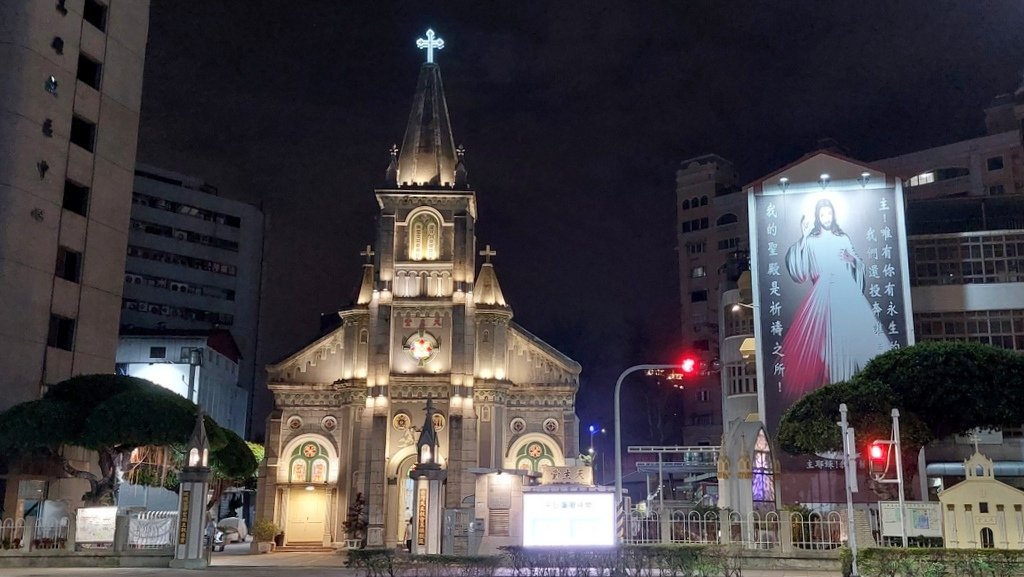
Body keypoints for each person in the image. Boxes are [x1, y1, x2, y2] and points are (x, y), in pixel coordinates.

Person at [780, 198, 890, 403]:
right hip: (823, 297)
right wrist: (803, 238)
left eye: (829, 214)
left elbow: (857, 263)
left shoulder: (843, 238)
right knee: (827, 347)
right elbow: (800, 272)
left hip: (847, 294)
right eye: (822, 215)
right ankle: (835, 390)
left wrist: (852, 261)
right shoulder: (811, 241)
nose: (826, 218)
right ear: (817, 217)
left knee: (852, 342)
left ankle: (853, 389)